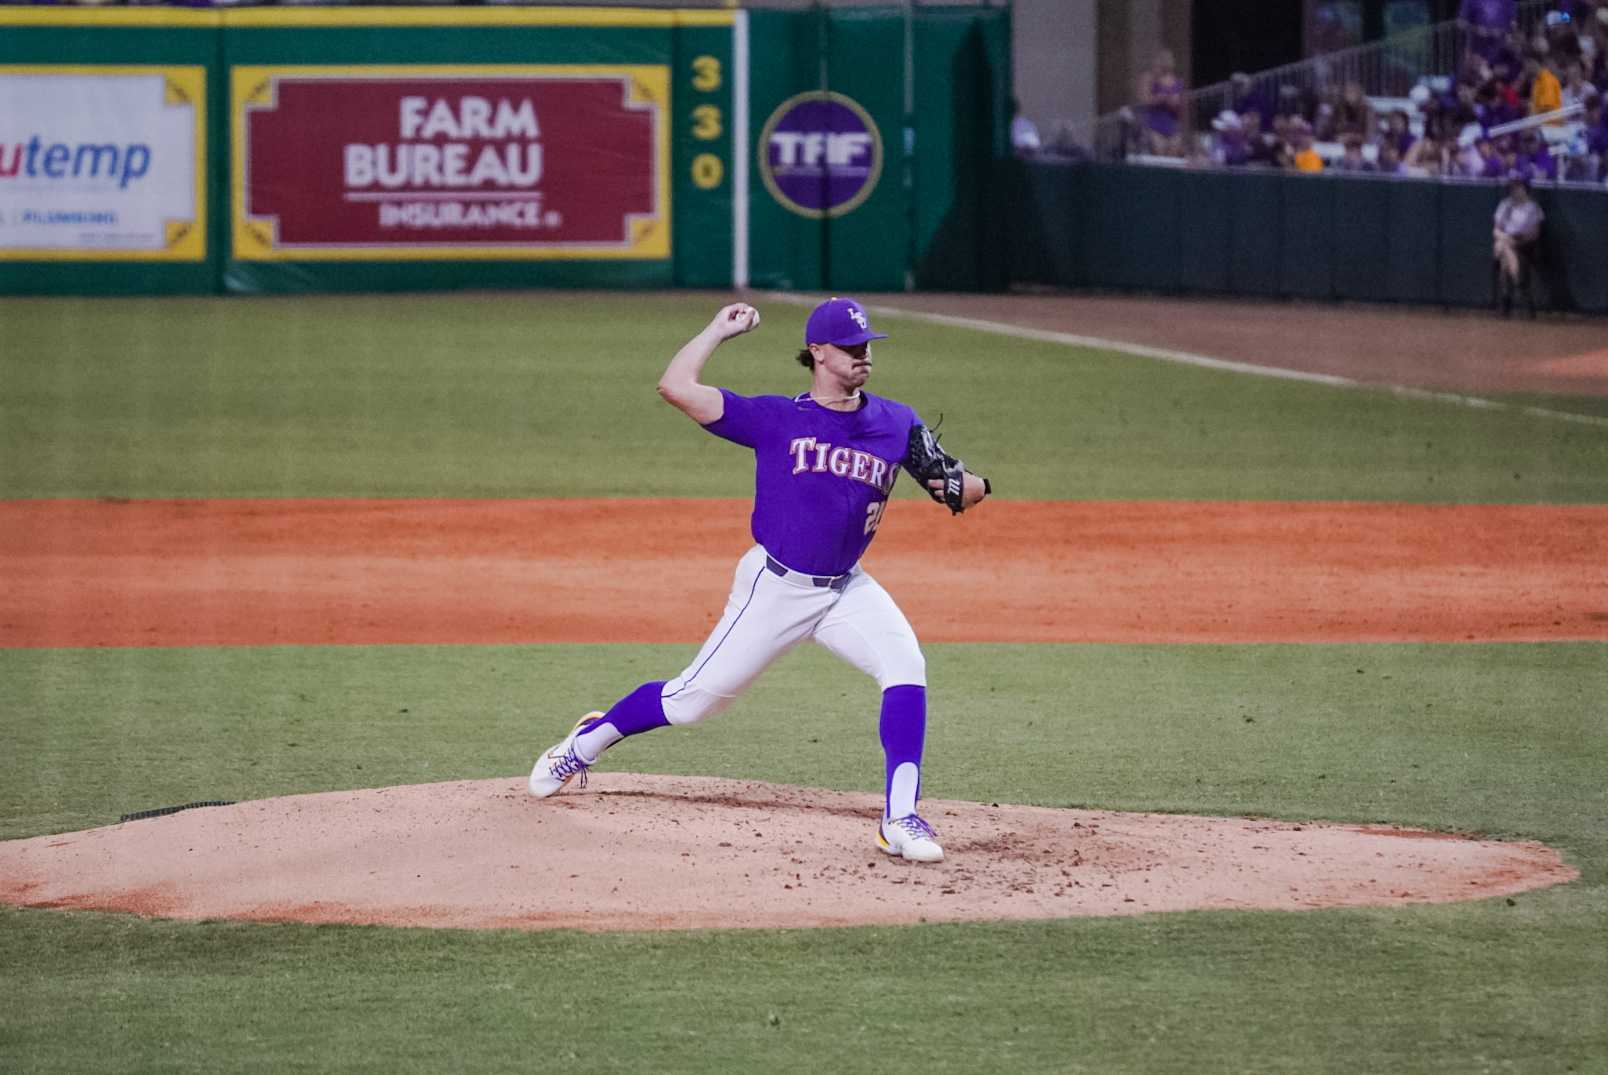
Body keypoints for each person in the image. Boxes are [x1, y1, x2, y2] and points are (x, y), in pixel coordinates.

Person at [527, 299, 991, 864]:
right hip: (775, 589)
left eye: (868, 346)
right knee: (693, 703)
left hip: (846, 589)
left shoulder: (897, 422)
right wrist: (717, 332)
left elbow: (954, 484)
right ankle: (584, 744)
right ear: (818, 352)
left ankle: (899, 817)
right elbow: (675, 386)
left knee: (905, 667)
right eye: (850, 347)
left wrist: (969, 483)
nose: (863, 355)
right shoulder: (776, 418)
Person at [1491, 178, 1543, 316]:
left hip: (1525, 244)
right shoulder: (1505, 205)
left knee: (1503, 260)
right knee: (1504, 247)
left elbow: (1534, 234)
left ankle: (1506, 299)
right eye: (1512, 189)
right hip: (1507, 240)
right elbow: (1496, 231)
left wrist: (1516, 241)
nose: (1514, 192)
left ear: (1525, 190)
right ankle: (1519, 284)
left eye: (1518, 189)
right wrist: (1507, 238)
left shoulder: (1533, 207)